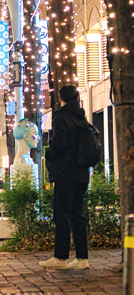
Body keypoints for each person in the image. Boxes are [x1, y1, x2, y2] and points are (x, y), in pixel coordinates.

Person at [41, 84, 100, 270]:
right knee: (78, 214)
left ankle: (61, 257)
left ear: (61, 98)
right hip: (82, 173)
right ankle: (82, 258)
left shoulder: (62, 118)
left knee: (61, 214)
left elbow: (60, 144)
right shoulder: (82, 118)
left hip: (65, 173)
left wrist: (49, 154)